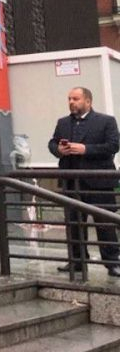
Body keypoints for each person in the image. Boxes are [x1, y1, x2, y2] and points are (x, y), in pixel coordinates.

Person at [48, 87, 120, 276]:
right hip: (72, 182)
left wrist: (85, 149)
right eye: (69, 98)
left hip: (99, 182)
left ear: (88, 101)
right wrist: (58, 150)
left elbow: (113, 146)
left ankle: (113, 262)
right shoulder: (63, 122)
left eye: (76, 98)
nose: (71, 102)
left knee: (105, 224)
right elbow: (52, 143)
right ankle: (77, 261)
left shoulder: (106, 121)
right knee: (73, 224)